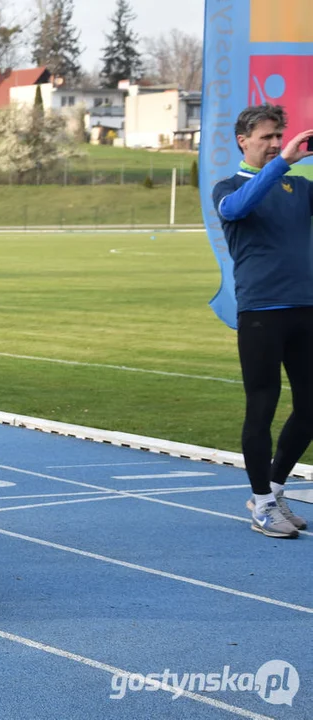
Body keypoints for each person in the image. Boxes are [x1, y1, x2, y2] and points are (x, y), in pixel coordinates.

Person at [212, 103, 313, 539]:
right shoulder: (228, 187)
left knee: (311, 407)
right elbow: (236, 209)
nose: (275, 144)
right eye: (268, 137)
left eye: (280, 136)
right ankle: (262, 503)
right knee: (262, 407)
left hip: (305, 309)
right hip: (260, 315)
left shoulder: (300, 188)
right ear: (244, 140)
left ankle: (270, 492)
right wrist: (284, 163)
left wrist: (290, 169)